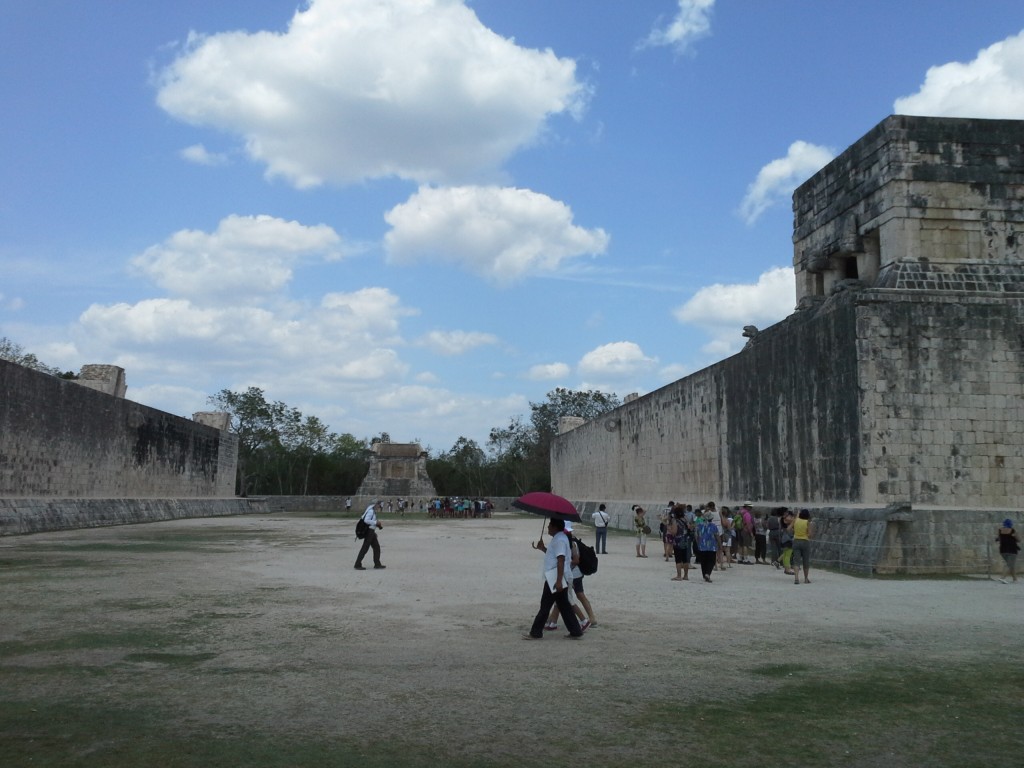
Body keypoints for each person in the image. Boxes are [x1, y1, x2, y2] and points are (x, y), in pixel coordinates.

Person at [524, 518, 584, 639]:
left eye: (550, 525)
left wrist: (558, 581)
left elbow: (561, 560)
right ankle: (576, 631)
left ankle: (535, 632)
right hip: (557, 576)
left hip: (555, 577)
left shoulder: (559, 540)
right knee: (564, 605)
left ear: (555, 527)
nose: (548, 528)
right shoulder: (559, 538)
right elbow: (555, 556)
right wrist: (543, 548)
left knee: (545, 605)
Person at [545, 522, 595, 631]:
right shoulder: (563, 542)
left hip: (571, 574)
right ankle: (552, 622)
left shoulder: (570, 543)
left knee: (570, 598)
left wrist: (565, 565)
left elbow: (573, 560)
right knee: (562, 598)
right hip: (568, 574)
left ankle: (585, 620)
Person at [354, 501, 385, 570]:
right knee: (365, 548)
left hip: (371, 532)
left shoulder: (372, 511)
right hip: (369, 532)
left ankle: (377, 564)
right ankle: (357, 564)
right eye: (379, 506)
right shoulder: (371, 511)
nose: (379, 507)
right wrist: (375, 522)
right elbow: (366, 520)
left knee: (376, 547)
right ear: (376, 505)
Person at [695, 508, 718, 583]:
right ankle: (708, 573)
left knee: (703, 561)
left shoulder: (699, 525)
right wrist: (720, 545)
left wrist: (698, 543)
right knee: (711, 561)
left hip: (702, 546)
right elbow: (717, 536)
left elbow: (696, 536)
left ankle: (704, 574)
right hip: (712, 546)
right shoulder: (714, 526)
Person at [670, 506, 693, 581]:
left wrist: (669, 529)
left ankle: (679, 575)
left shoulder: (675, 521)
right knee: (685, 559)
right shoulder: (686, 519)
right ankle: (686, 575)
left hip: (678, 541)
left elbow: (674, 532)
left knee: (678, 559)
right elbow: (690, 527)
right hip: (685, 540)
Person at [791, 509, 812, 584]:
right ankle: (806, 579)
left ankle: (796, 578)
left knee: (796, 561)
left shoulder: (796, 520)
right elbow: (809, 534)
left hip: (796, 541)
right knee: (805, 561)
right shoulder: (807, 522)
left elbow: (790, 529)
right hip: (805, 541)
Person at [997, 518, 1021, 583]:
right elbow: (1019, 540)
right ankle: (1003, 577)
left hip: (1003, 550)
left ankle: (1015, 579)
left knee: (1011, 565)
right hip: (1012, 550)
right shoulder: (1012, 530)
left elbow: (999, 539)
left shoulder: (1000, 530)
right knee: (1009, 564)